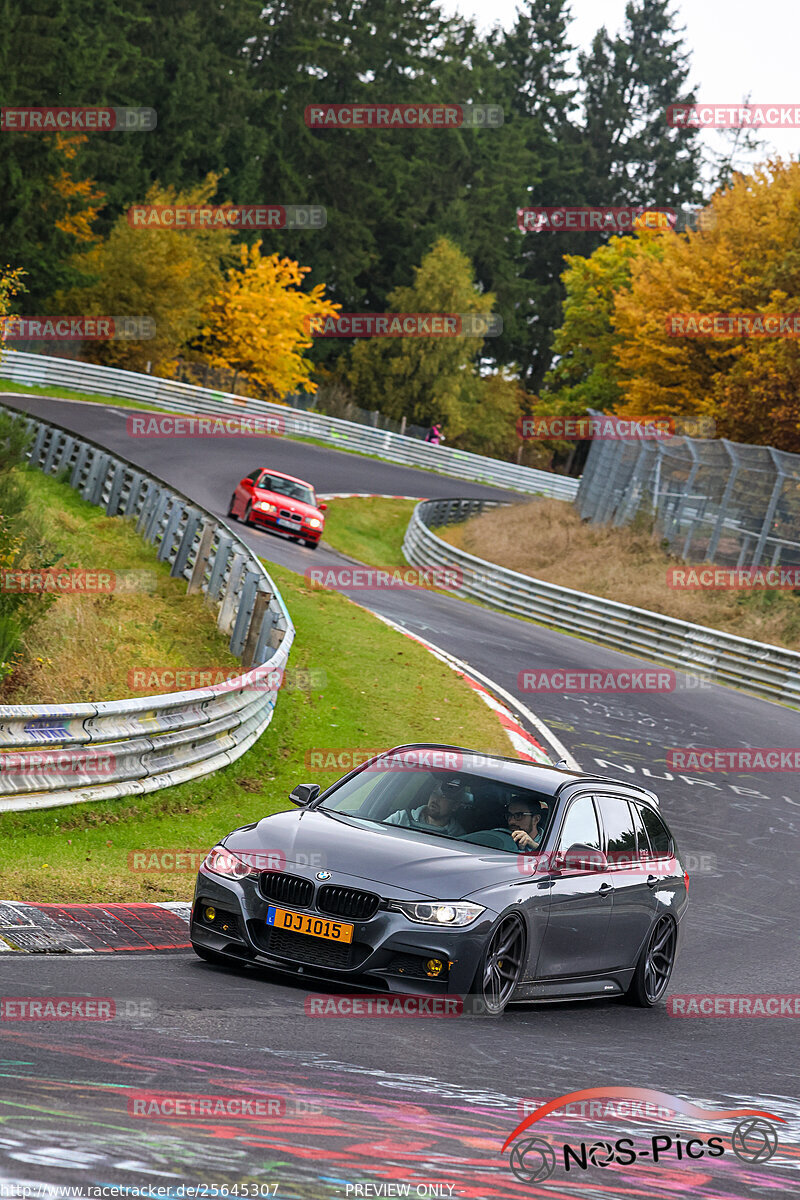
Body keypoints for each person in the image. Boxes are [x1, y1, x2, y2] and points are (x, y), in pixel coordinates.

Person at [384, 777, 466, 837]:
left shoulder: (458, 837)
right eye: (434, 793)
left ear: (455, 806)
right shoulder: (401, 818)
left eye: (443, 797)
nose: (435, 799)